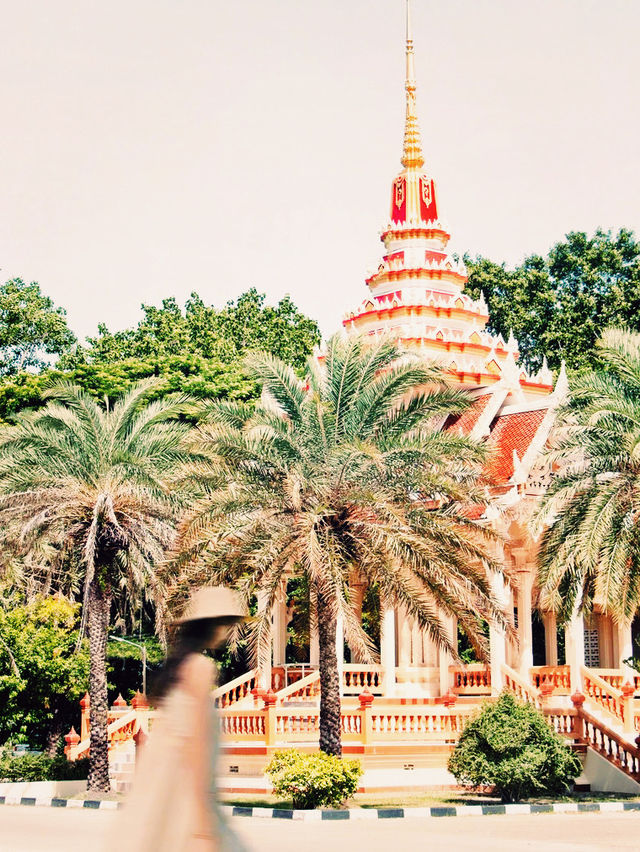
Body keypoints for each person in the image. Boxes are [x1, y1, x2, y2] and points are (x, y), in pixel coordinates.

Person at [112, 586, 249, 852]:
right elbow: (196, 745)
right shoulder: (199, 668)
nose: (226, 631)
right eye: (224, 624)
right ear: (212, 627)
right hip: (186, 791)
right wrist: (202, 817)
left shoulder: (177, 670)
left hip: (163, 790)